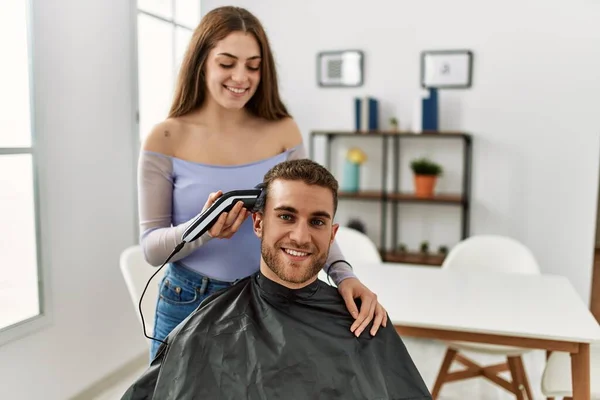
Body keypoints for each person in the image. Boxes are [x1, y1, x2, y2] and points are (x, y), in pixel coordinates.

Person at [138, 5, 387, 360]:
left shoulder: (282, 131)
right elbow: (151, 249)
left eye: (253, 66)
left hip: (269, 298)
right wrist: (204, 228)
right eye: (227, 63)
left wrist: (344, 275)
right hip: (188, 300)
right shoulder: (165, 138)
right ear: (201, 62)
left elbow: (310, 217)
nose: (241, 77)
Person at [123, 159, 431, 400]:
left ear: (332, 234)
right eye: (286, 216)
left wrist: (345, 276)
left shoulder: (362, 318)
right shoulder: (206, 329)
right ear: (258, 222)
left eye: (317, 221)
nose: (300, 236)